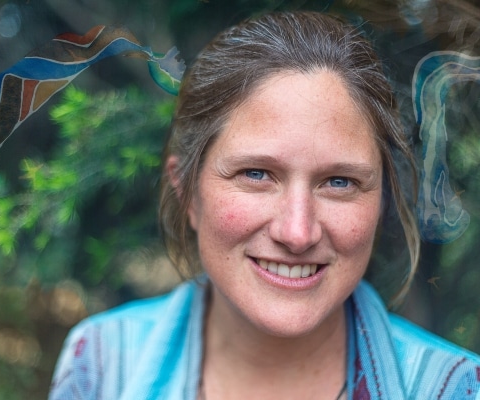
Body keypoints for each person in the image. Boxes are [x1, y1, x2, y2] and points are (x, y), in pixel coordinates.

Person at [49, 11, 480, 400]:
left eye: (339, 182)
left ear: (381, 199)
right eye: (256, 174)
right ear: (187, 192)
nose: (297, 233)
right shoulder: (102, 364)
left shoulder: (455, 388)